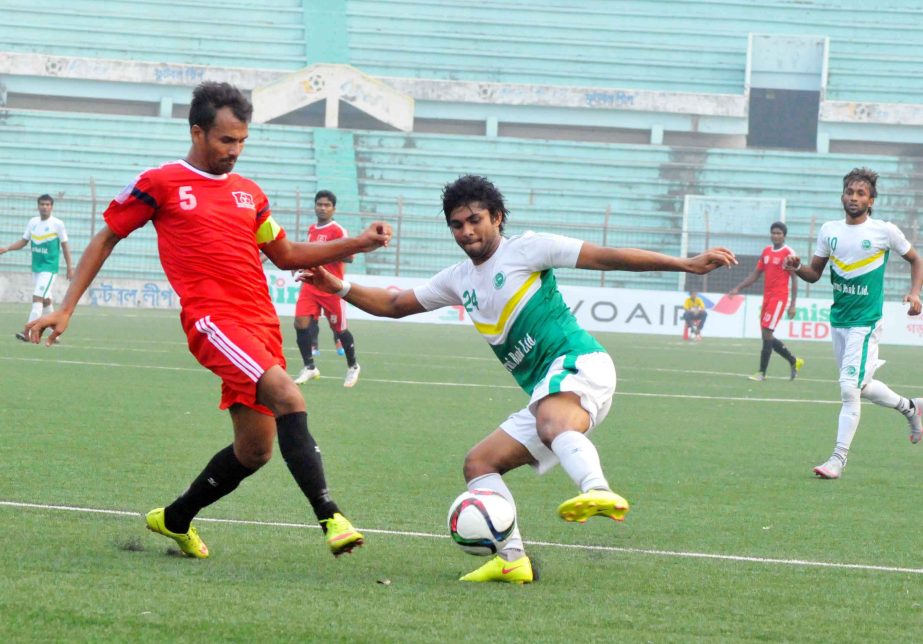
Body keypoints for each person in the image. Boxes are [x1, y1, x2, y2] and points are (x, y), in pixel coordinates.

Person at [301, 174, 737, 583]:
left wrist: (685, 263)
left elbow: (607, 256)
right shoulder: (458, 279)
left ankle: (597, 488)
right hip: (549, 390)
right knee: (480, 463)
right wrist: (337, 286)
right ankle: (512, 562)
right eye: (457, 224)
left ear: (497, 218)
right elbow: (394, 304)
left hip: (579, 362)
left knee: (552, 421)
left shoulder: (528, 250)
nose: (466, 231)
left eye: (475, 220)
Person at [27, 81, 393, 558]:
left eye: (242, 141)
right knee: (288, 394)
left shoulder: (249, 195)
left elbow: (284, 254)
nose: (236, 151)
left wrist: (357, 244)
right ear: (197, 132)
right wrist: (67, 305)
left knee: (255, 450)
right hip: (213, 322)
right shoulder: (160, 183)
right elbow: (105, 238)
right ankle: (331, 516)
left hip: (260, 324)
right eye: (226, 140)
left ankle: (176, 518)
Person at [784, 167, 923, 479]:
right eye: (850, 192)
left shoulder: (884, 231)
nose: (854, 197)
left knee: (848, 389)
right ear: (842, 196)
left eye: (861, 193)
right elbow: (815, 273)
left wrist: (915, 293)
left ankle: (837, 459)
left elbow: (916, 258)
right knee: (863, 387)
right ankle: (911, 407)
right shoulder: (829, 230)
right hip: (840, 320)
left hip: (866, 322)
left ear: (871, 200)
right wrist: (797, 267)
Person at [292, 190, 361, 387]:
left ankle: (353, 366)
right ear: (315, 206)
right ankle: (309, 367)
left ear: (333, 209)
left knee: (339, 329)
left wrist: (326, 250)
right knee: (300, 323)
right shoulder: (312, 229)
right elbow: (309, 254)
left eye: (327, 205)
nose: (322, 208)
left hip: (331, 286)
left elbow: (350, 256)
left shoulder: (337, 230)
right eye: (319, 204)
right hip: (310, 284)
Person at [729, 222, 804, 381]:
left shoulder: (788, 253)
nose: (776, 235)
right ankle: (793, 360)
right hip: (767, 297)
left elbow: (794, 279)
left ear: (784, 236)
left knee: (768, 333)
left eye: (779, 233)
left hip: (779, 297)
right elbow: (756, 274)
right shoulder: (766, 251)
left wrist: (793, 304)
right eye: (773, 233)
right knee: (766, 335)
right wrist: (738, 288)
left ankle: (762, 373)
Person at [0, 194, 74, 342]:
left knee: (37, 297)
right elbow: (23, 241)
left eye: (47, 204)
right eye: (42, 204)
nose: (45, 207)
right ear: (38, 206)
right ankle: (55, 334)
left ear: (51, 207)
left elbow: (65, 245)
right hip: (37, 268)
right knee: (46, 300)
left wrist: (69, 267)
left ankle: (27, 332)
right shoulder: (33, 222)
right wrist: (7, 248)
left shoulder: (57, 224)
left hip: (49, 268)